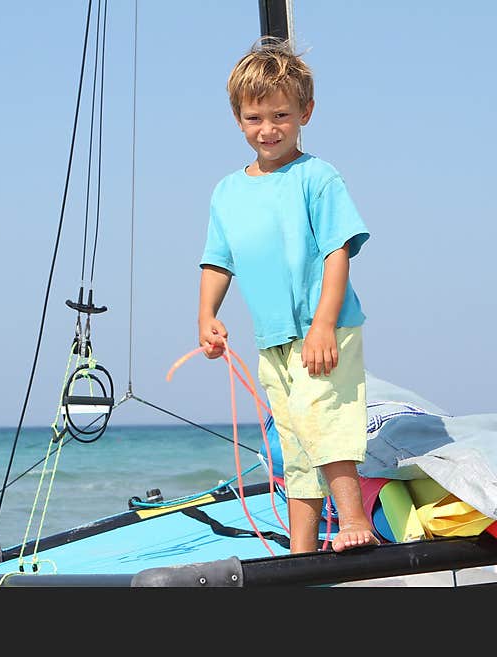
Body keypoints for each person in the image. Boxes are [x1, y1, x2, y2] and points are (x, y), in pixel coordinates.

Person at [197, 38, 379, 553]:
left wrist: (323, 324)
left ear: (306, 113)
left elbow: (336, 252)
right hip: (272, 339)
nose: (268, 129)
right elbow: (218, 260)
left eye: (281, 115)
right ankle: (301, 553)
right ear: (237, 118)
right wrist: (207, 313)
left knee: (325, 421)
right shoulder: (228, 192)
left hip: (325, 328)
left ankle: (352, 520)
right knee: (295, 442)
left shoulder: (318, 178)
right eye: (255, 117)